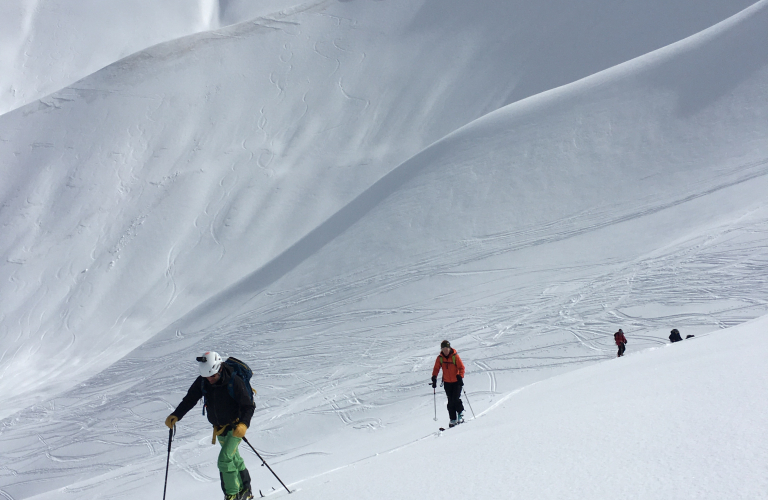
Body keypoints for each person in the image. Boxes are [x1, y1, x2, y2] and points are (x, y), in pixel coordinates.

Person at [165, 352, 255, 500]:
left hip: (235, 427)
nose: (210, 379)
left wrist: (244, 424)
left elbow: (248, 406)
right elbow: (190, 399)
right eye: (207, 377)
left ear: (219, 369)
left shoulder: (234, 381)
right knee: (234, 459)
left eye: (212, 376)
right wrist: (176, 415)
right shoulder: (203, 381)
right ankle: (246, 491)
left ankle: (232, 496)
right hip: (219, 428)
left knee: (225, 460)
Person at [431, 340, 466, 427]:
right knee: (450, 401)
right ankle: (453, 419)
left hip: (456, 381)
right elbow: (436, 368)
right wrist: (434, 377)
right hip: (447, 382)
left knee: (455, 398)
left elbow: (461, 367)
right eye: (443, 348)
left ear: (449, 348)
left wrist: (460, 376)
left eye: (446, 348)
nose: (445, 350)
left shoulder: (455, 356)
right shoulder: (440, 358)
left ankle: (460, 414)